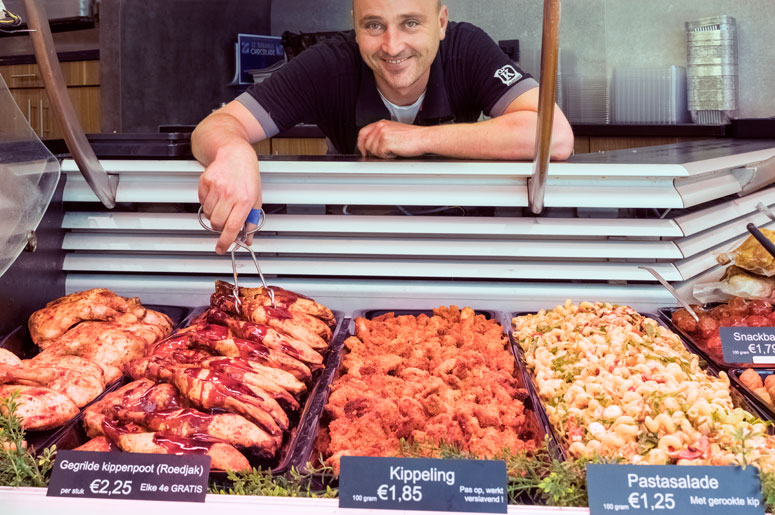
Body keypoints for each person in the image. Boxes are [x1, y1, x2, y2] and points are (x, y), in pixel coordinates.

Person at [192, 0, 574, 254]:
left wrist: (420, 138)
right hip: (357, 249)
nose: (392, 46)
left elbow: (555, 136)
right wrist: (233, 150)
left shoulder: (466, 48)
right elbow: (216, 125)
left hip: (462, 249)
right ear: (355, 28)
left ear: (440, 23)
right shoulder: (327, 65)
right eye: (374, 26)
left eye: (410, 23)